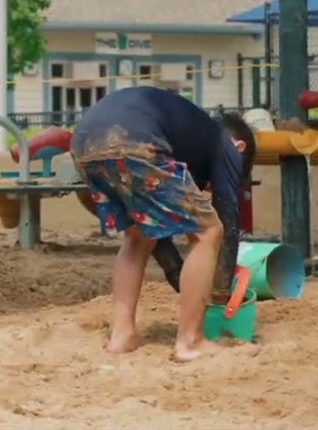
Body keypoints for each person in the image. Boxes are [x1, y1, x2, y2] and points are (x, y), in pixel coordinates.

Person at [70, 85, 255, 362]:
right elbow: (228, 217)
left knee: (138, 236)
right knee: (209, 231)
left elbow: (157, 230)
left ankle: (122, 336)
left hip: (84, 141)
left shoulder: (190, 131)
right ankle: (190, 341)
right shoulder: (226, 145)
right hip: (133, 141)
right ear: (239, 148)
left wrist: (176, 271)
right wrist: (220, 292)